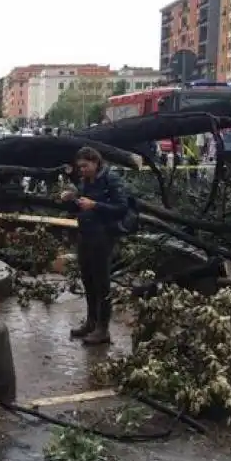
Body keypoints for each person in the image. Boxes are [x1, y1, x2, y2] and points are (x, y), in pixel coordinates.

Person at [59, 146, 129, 346]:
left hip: (103, 236)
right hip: (85, 234)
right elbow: (80, 207)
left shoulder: (111, 179)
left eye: (85, 166)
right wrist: (70, 201)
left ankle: (103, 329)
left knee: (101, 282)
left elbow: (121, 207)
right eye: (79, 167)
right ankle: (91, 321)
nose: (82, 170)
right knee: (87, 280)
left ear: (96, 162)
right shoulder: (84, 182)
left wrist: (95, 205)